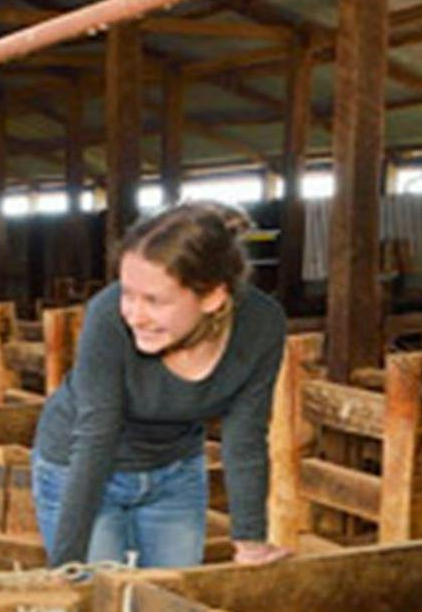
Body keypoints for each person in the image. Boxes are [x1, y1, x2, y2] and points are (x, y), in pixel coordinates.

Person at [33, 201, 292, 570]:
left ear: (213, 297)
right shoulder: (107, 316)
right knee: (101, 602)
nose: (135, 314)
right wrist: (68, 568)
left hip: (175, 470)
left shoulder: (261, 326)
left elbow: (245, 433)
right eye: (127, 292)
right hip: (80, 467)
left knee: (172, 604)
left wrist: (250, 540)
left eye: (154, 300)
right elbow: (96, 434)